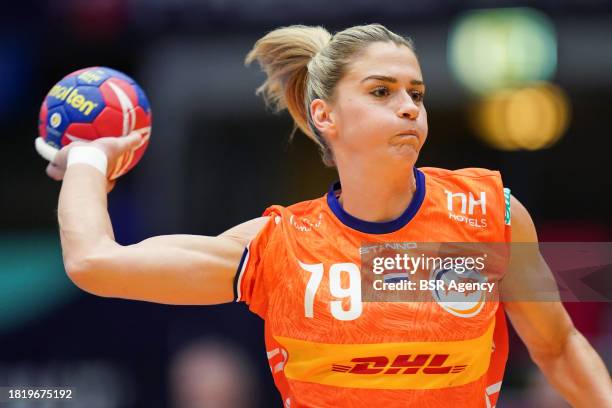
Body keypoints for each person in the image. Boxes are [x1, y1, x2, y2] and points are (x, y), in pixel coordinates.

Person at [45, 24, 611, 407]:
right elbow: (96, 262)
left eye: (417, 91)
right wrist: (90, 159)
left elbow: (557, 347)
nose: (409, 105)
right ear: (325, 114)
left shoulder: (488, 213)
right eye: (382, 91)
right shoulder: (280, 246)